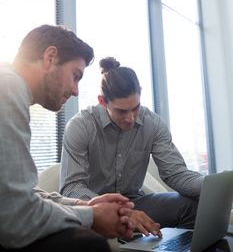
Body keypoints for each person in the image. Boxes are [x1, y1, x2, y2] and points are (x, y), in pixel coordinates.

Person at [0, 27, 147, 251]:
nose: (76, 91)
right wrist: (91, 217)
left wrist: (84, 205)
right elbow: (17, 217)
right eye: (75, 76)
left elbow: (22, 194)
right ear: (50, 57)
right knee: (88, 245)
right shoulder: (8, 87)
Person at [60, 56, 205, 234]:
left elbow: (175, 173)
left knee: (191, 207)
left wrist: (211, 187)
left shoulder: (152, 123)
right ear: (102, 101)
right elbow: (72, 188)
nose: (130, 118)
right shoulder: (81, 126)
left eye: (135, 108)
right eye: (121, 111)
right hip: (94, 206)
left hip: (136, 202)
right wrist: (117, 211)